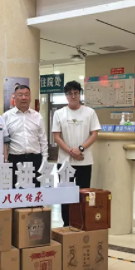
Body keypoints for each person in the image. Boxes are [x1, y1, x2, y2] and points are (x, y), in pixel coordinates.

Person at [52, 81, 101, 226]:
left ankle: (81, 222)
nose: (73, 96)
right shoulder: (59, 113)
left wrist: (80, 149)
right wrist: (71, 152)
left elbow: (94, 134)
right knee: (65, 194)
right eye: (69, 94)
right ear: (66, 96)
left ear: (80, 94)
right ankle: (66, 224)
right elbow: (56, 137)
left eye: (76, 93)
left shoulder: (90, 112)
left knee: (83, 194)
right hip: (64, 162)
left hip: (84, 161)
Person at [3, 85, 48, 187]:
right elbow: (4, 141)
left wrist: (45, 159)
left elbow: (43, 139)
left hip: (35, 160)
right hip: (15, 160)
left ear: (30, 97)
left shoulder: (37, 116)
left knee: (36, 192)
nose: (24, 97)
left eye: (26, 95)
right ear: (14, 97)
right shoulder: (6, 116)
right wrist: (5, 160)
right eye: (20, 95)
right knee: (16, 193)